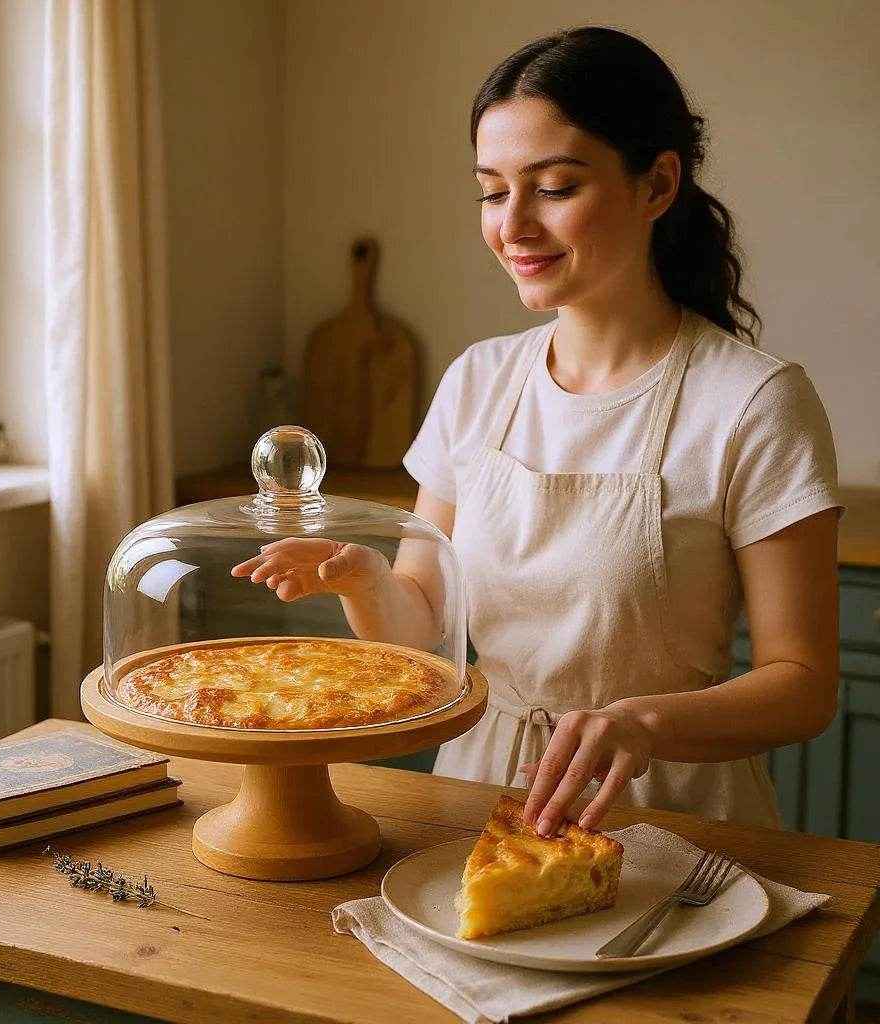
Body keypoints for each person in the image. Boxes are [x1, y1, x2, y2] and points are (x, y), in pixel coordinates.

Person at [231, 26, 842, 836]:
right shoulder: (478, 380)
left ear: (658, 185)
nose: (512, 225)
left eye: (553, 187)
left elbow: (801, 684)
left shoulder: (754, 402)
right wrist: (363, 582)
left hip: (669, 815)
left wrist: (641, 724)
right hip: (479, 798)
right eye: (492, 190)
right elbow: (425, 631)